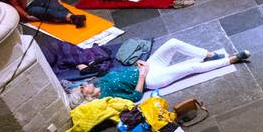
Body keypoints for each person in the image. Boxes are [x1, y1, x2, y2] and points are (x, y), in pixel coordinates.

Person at [65, 38, 251, 107]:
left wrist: (138, 66)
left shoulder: (101, 81)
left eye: (81, 86)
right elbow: (134, 97)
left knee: (173, 43)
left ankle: (209, 55)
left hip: (145, 67)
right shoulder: (106, 96)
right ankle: (231, 59)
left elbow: (118, 72)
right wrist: (143, 75)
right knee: (190, 68)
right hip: (151, 79)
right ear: (87, 97)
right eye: (82, 90)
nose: (83, 86)